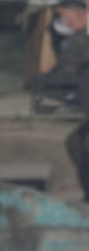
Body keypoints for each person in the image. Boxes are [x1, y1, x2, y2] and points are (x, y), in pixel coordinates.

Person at [47, 1, 89, 202]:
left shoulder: (79, 41)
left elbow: (67, 72)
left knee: (77, 142)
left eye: (66, 17)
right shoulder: (78, 40)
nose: (64, 22)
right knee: (75, 141)